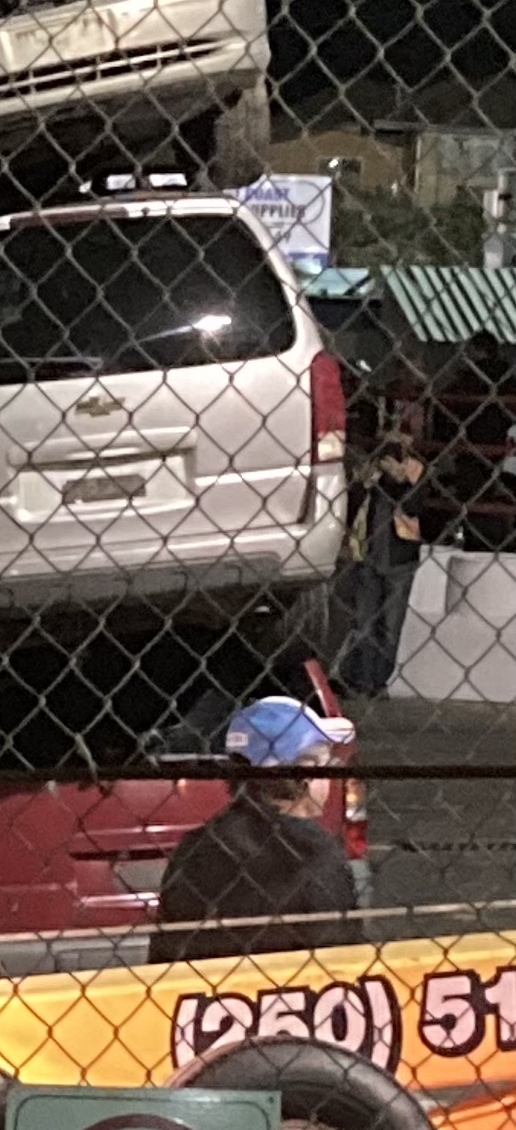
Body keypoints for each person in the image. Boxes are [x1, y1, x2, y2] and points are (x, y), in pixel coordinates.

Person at [149, 697, 363, 962]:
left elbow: (165, 951)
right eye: (323, 761)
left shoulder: (196, 847)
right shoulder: (313, 850)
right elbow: (343, 958)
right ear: (303, 771)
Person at [340, 400, 425, 695]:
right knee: (363, 623)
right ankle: (361, 680)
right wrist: (365, 483)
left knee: (390, 628)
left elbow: (412, 505)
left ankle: (378, 681)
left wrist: (392, 478)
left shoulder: (414, 469)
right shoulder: (370, 469)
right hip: (368, 554)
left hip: (399, 558)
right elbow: (352, 506)